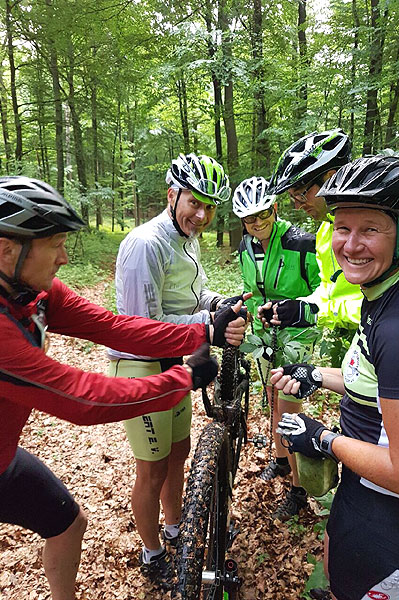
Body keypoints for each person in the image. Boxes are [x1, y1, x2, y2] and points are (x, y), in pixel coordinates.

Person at [0, 176, 246, 600]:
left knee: (68, 524)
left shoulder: (31, 293)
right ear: (7, 250)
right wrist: (184, 378)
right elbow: (82, 398)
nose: (64, 257)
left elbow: (113, 327)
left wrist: (204, 332)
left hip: (3, 458)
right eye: (55, 244)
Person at [272, 156, 399, 600]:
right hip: (370, 488)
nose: (350, 245)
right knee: (336, 564)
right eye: (342, 227)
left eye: (370, 229)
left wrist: (322, 439)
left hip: (398, 515)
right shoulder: (389, 295)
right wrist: (317, 375)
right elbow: (377, 382)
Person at [109, 153, 250, 587]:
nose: (202, 215)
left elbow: (191, 294)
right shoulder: (145, 244)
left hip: (176, 361)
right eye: (195, 203)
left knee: (178, 453)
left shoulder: (187, 238)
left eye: (209, 206)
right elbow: (141, 328)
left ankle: (175, 530)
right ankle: (152, 555)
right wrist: (209, 325)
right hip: (141, 366)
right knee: (151, 469)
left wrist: (219, 304)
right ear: (172, 196)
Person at [232, 176, 320, 520]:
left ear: (275, 208)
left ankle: (299, 490)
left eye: (263, 214)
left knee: (288, 411)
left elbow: (323, 294)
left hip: (297, 335)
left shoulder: (302, 243)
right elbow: (252, 289)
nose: (257, 223)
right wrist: (250, 309)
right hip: (264, 334)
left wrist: (298, 308)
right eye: (249, 218)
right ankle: (282, 461)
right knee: (273, 399)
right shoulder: (246, 246)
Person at [266, 129, 363, 335]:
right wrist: (295, 307)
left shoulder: (378, 229)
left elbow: (386, 304)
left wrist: (315, 314)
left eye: (301, 195)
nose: (297, 206)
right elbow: (329, 291)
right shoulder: (325, 232)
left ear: (331, 179)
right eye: (293, 198)